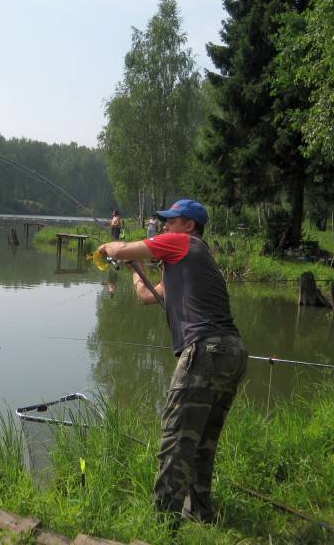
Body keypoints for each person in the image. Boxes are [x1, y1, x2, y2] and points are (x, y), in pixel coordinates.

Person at [97, 199, 247, 525]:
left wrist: (108, 246)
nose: (165, 226)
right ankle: (200, 515)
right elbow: (148, 296)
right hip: (232, 352)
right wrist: (136, 272)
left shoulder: (183, 243)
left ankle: (163, 526)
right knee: (202, 442)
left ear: (189, 225)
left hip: (205, 351)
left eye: (171, 221)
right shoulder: (195, 261)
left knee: (176, 441)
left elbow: (121, 249)